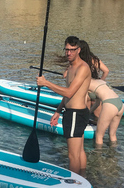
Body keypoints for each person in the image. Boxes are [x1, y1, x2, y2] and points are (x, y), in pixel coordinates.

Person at [36, 36, 91, 175]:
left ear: (78, 50)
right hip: (73, 112)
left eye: (72, 50)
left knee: (73, 156)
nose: (68, 53)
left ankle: (73, 183)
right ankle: (82, 181)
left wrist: (46, 83)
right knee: (79, 151)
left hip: (75, 114)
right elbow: (67, 95)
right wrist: (58, 110)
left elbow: (70, 92)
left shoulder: (83, 68)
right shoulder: (71, 67)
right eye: (66, 50)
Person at [78, 40, 124, 148]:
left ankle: (97, 159)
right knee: (112, 135)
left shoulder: (85, 80)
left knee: (99, 136)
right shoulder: (100, 80)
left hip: (109, 105)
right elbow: (98, 100)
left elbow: (77, 93)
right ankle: (113, 157)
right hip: (119, 104)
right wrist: (90, 112)